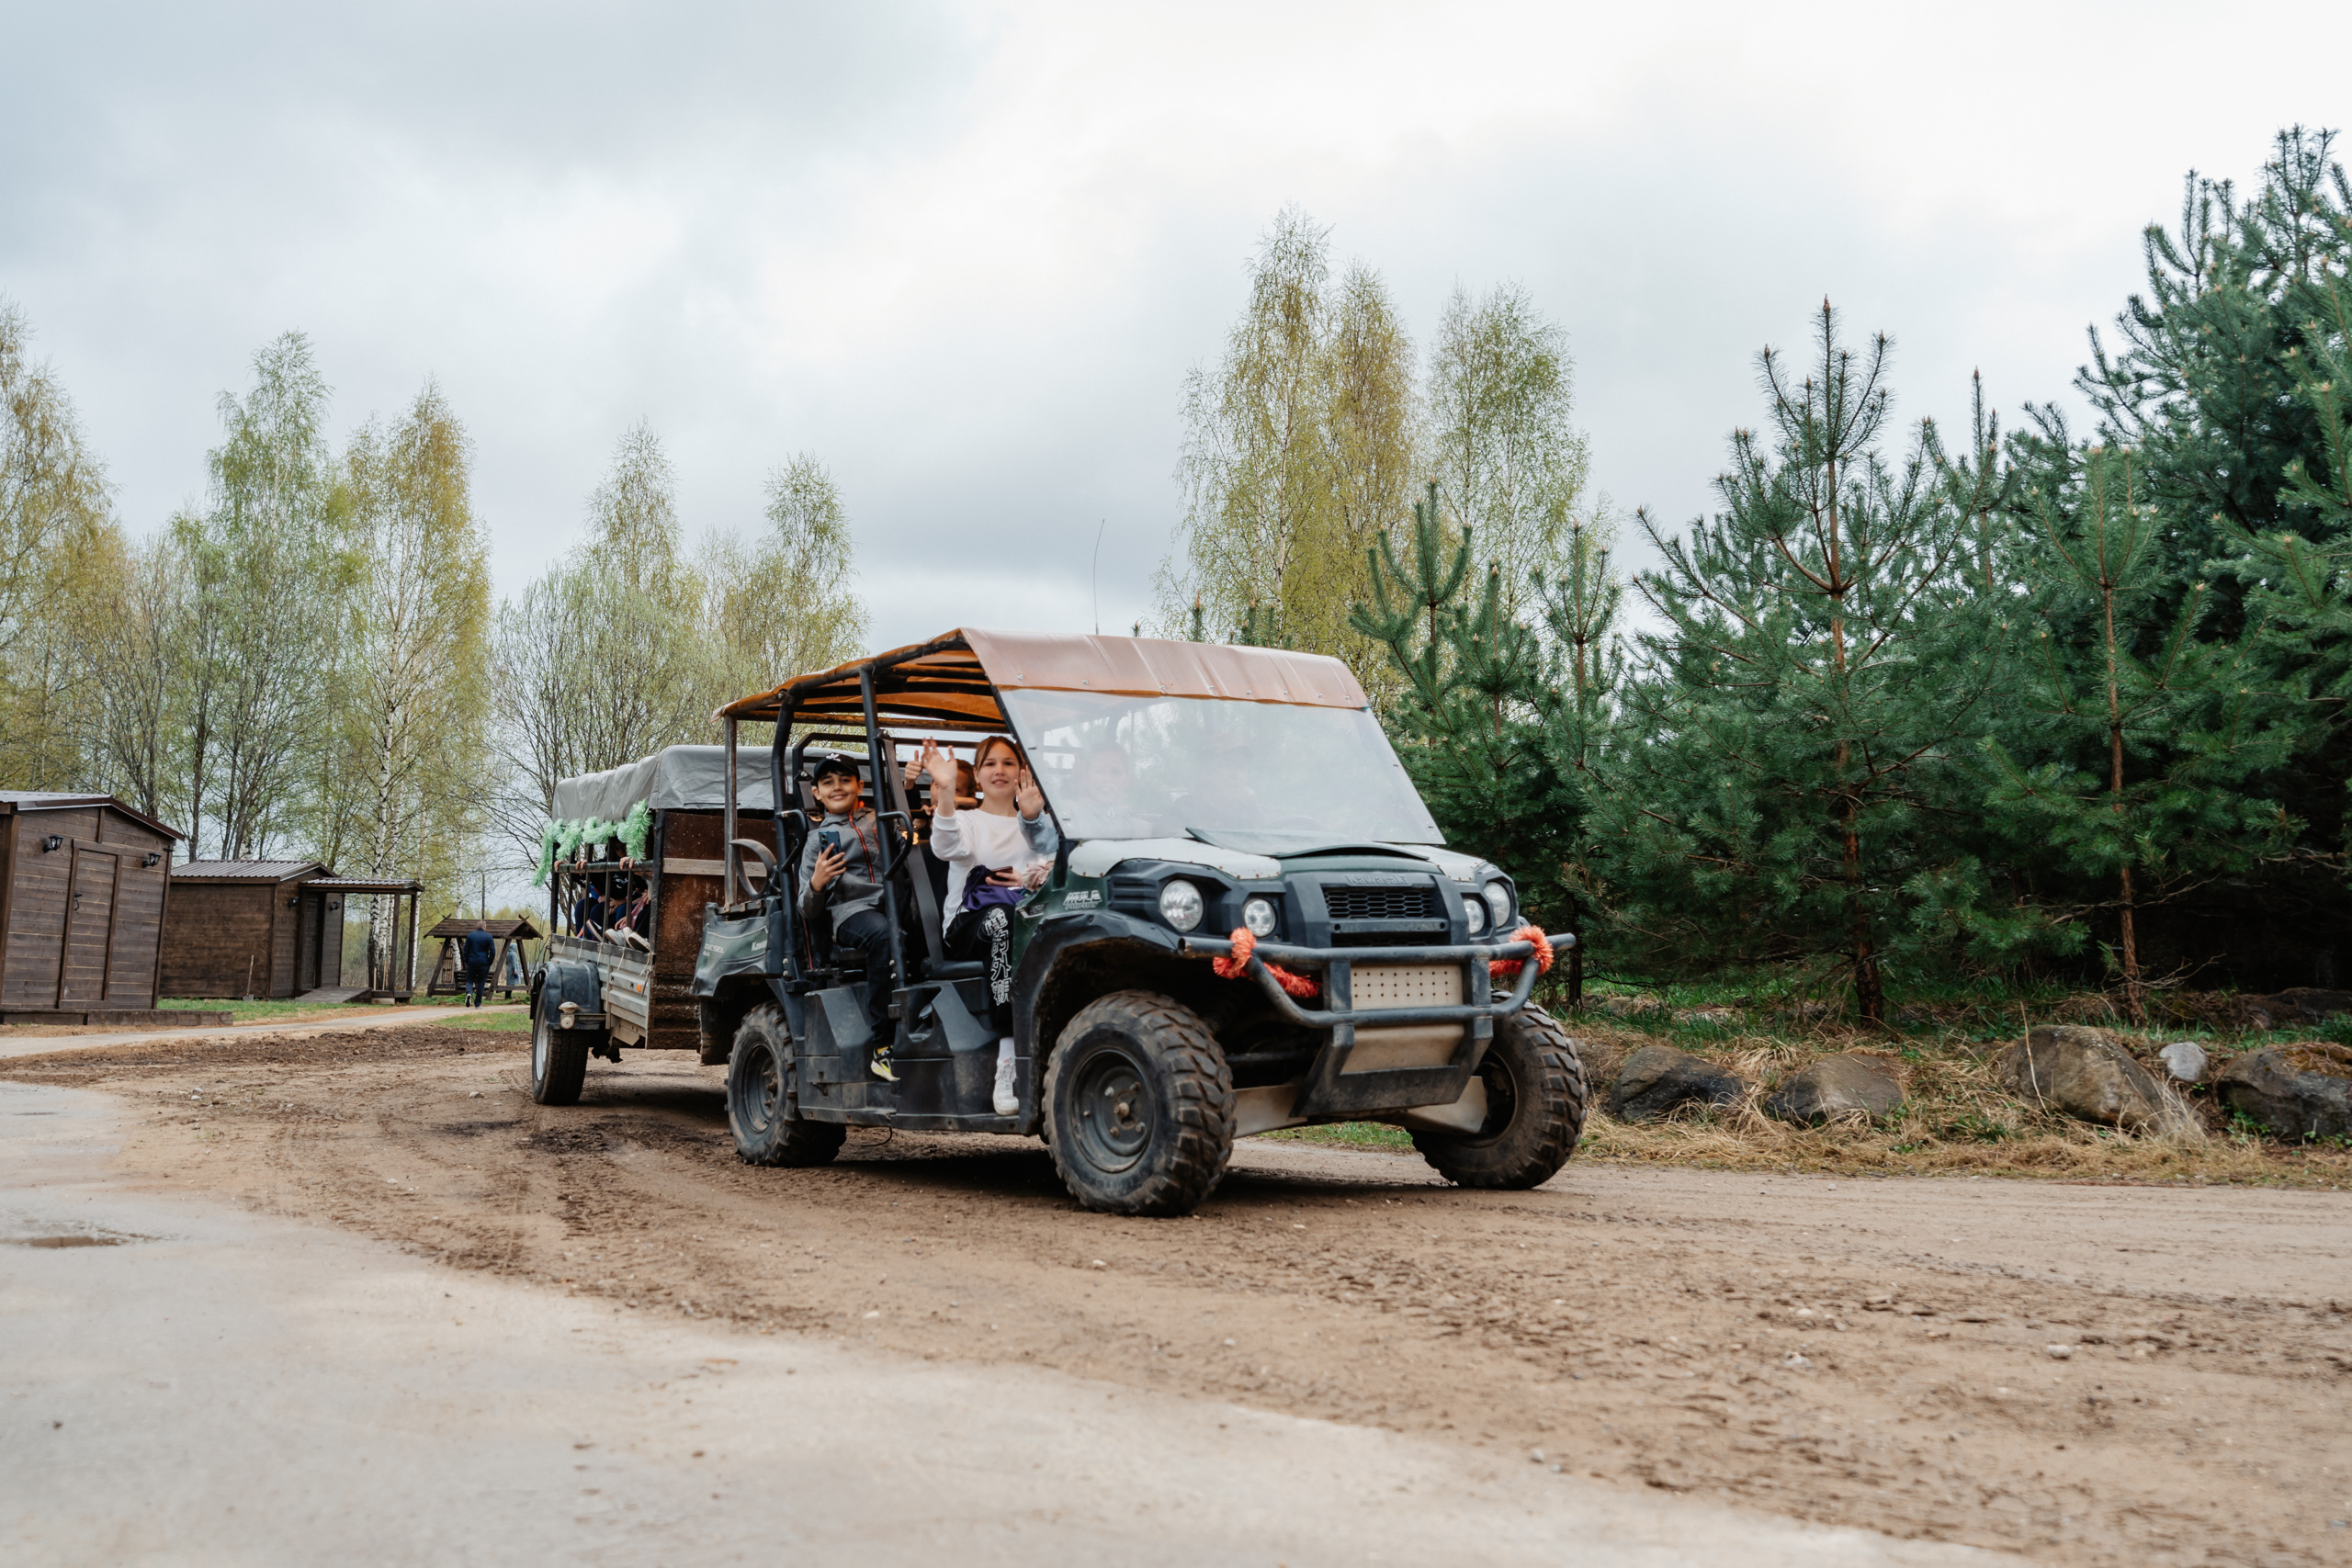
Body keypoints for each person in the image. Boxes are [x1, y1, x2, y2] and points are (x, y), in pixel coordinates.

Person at [920, 734, 1057, 1115]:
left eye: (1008, 763)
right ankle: (1007, 1063)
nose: (1000, 770)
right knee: (1002, 920)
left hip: (1031, 922)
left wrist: (1032, 873)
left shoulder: (1039, 823)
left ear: (1022, 773)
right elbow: (947, 847)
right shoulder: (966, 820)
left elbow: (1058, 867)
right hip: (971, 925)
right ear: (977, 776)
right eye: (990, 764)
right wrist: (945, 793)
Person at [797, 752, 900, 1079]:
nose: (837, 787)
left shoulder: (880, 820)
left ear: (860, 785)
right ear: (817, 793)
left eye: (844, 780)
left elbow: (906, 849)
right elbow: (806, 907)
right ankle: (883, 1047)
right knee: (884, 936)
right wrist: (818, 882)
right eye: (828, 782)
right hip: (851, 913)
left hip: (896, 904)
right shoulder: (816, 841)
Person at [459, 920, 496, 1009]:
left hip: (472, 962)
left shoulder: (470, 936)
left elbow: (466, 950)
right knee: (481, 982)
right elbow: (493, 951)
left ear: (476, 926)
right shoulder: (489, 937)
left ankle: (469, 993)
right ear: (485, 927)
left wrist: (467, 960)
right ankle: (478, 1004)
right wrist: (489, 962)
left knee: (469, 980)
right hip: (484, 963)